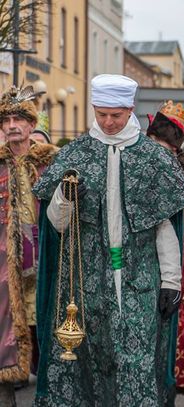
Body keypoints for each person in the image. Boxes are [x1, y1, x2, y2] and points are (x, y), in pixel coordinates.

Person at [32, 74, 184, 406]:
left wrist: (171, 281)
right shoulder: (75, 154)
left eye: (116, 115)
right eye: (101, 114)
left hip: (139, 279)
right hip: (85, 282)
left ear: (129, 109)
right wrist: (64, 196)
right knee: (89, 365)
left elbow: (164, 227)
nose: (107, 122)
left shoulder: (153, 158)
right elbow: (56, 226)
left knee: (136, 363)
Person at [0, 85, 57, 406]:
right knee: (5, 345)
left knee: (50, 342)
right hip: (6, 273)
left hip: (46, 267)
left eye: (18, 118)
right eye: (5, 120)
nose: (11, 126)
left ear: (31, 125)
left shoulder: (52, 166)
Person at [146, 100, 184, 392]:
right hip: (143, 264)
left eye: (167, 149)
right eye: (155, 143)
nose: (160, 153)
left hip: (183, 264)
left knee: (180, 328)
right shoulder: (136, 170)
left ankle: (173, 385)